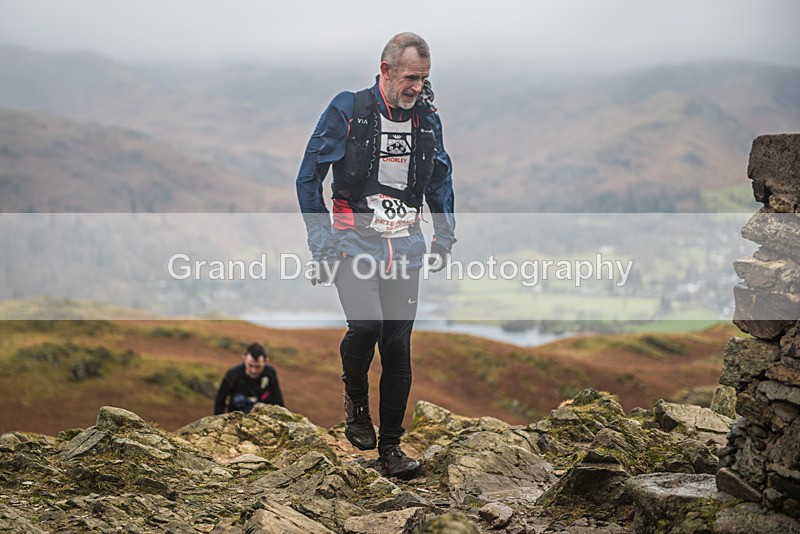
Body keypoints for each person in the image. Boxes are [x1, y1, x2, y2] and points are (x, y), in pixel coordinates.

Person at [296, 32, 456, 478]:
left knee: (398, 345)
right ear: (386, 70)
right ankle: (355, 400)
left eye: (424, 79)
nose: (418, 87)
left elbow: (440, 177)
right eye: (410, 78)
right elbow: (308, 177)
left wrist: (444, 235)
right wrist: (322, 243)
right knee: (366, 326)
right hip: (353, 243)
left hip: (405, 245)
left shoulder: (427, 120)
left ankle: (391, 449)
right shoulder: (349, 110)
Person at [214, 343, 284, 415]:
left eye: (258, 367)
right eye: (250, 365)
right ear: (244, 358)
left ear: (266, 361)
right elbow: (220, 400)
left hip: (262, 416)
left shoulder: (270, 373)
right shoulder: (233, 374)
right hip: (236, 416)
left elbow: (278, 400)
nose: (253, 371)